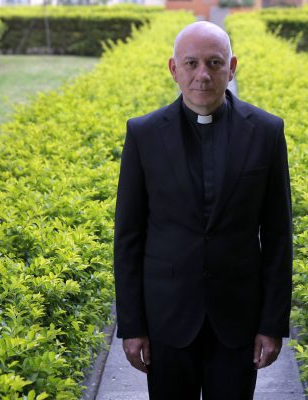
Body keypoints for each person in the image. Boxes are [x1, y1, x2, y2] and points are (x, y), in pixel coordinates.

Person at [113, 21, 292, 400]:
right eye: (191, 63)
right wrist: (132, 326)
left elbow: (278, 237)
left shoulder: (266, 132)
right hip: (167, 319)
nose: (203, 75)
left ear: (232, 67)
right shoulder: (143, 134)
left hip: (238, 319)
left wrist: (272, 324)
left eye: (214, 62)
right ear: (173, 69)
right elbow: (128, 237)